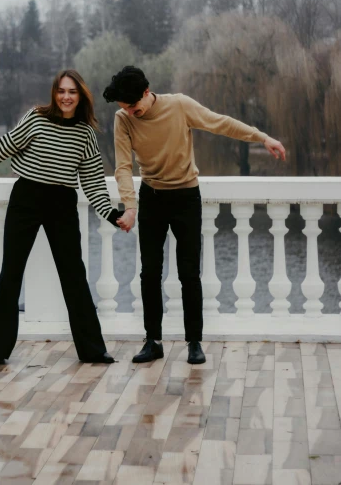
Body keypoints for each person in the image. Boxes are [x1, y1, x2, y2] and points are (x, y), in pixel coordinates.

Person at [103, 66, 286, 365]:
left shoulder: (179, 105)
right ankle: (153, 341)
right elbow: (123, 166)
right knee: (150, 272)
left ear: (147, 93)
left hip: (186, 197)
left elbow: (220, 124)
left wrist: (261, 137)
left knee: (189, 273)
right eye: (125, 109)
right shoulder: (123, 119)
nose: (130, 113)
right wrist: (130, 205)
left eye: (134, 107)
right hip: (151, 197)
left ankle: (194, 342)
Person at [0, 70, 123, 366]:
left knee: (74, 276)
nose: (66, 96)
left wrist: (111, 213)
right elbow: (1, 148)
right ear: (54, 93)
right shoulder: (36, 118)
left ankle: (93, 349)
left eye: (72, 92)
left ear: (81, 96)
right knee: (11, 272)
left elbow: (93, 182)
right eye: (61, 91)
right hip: (26, 198)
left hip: (62, 203)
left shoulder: (85, 133)